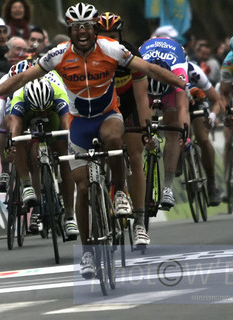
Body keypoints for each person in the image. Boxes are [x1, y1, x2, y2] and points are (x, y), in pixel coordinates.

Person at [0, 2, 192, 278]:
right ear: (70, 30)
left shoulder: (111, 49)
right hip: (79, 124)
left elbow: (147, 68)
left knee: (114, 135)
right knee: (83, 189)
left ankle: (121, 191)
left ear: (94, 28)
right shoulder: (58, 54)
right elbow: (23, 77)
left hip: (108, 114)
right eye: (76, 27)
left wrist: (183, 85)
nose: (82, 32)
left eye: (87, 26)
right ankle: (87, 251)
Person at [97, 12, 151, 246]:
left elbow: (141, 98)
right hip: (102, 107)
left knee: (136, 156)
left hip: (128, 106)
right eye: (103, 36)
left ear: (120, 36)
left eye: (113, 36)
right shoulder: (91, 55)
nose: (109, 40)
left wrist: (146, 126)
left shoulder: (130, 55)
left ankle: (139, 223)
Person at [8, 74, 79, 236]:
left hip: (54, 115)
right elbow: (16, 130)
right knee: (19, 141)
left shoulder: (59, 95)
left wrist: (70, 143)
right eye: (41, 111)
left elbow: (67, 127)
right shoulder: (19, 99)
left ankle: (69, 216)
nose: (43, 113)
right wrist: (13, 145)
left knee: (65, 157)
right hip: (28, 115)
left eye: (45, 109)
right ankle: (26, 185)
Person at [139, 35, 191, 211]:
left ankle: (167, 187)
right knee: (140, 123)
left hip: (170, 83)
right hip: (145, 79)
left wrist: (186, 136)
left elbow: (183, 108)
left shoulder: (179, 71)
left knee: (173, 129)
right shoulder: (140, 66)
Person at [0, 60, 32, 193]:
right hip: (12, 107)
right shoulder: (5, 80)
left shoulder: (40, 79)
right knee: (5, 122)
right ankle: (5, 170)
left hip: (32, 104)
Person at [187, 61, 222, 205]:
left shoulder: (194, 72)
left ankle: (211, 184)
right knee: (178, 135)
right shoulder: (163, 73)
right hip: (175, 104)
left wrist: (212, 116)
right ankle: (181, 164)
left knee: (202, 138)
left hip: (198, 103)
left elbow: (216, 100)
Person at [219, 36, 233, 201]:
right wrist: (227, 113)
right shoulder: (228, 62)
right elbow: (223, 94)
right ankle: (226, 181)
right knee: (228, 140)